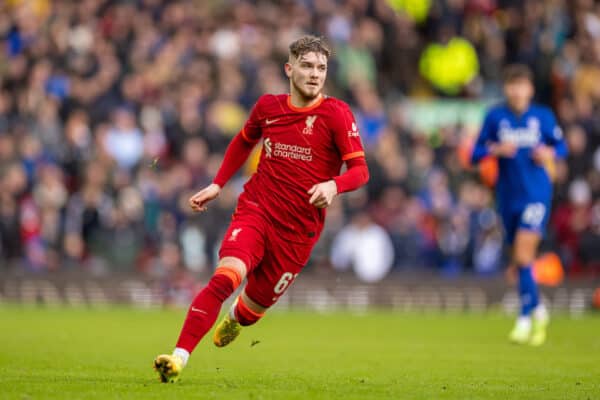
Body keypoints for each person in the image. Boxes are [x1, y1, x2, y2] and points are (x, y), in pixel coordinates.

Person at [153, 36, 369, 382]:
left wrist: (334, 185)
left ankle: (237, 318)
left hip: (299, 231)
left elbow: (360, 171)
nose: (315, 74)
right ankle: (178, 357)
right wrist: (218, 184)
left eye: (321, 68)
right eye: (307, 66)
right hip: (258, 209)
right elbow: (243, 140)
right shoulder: (269, 107)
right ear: (289, 69)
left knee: (253, 309)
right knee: (227, 276)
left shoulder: (337, 114)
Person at [471, 64, 567, 346]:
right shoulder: (495, 116)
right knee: (519, 259)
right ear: (506, 88)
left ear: (530, 89)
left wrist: (549, 151)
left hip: (537, 194)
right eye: (513, 85)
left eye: (522, 85)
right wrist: (494, 149)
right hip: (507, 196)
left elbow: (562, 147)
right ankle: (539, 309)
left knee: (524, 256)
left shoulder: (543, 117)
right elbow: (475, 152)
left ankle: (525, 318)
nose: (517, 91)